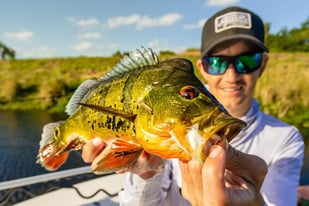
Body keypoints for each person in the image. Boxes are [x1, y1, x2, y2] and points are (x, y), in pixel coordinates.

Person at [82, 6, 305, 206]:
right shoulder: (167, 113)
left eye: (246, 61)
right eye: (217, 62)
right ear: (202, 67)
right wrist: (147, 174)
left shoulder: (285, 138)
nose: (231, 75)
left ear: (263, 65)